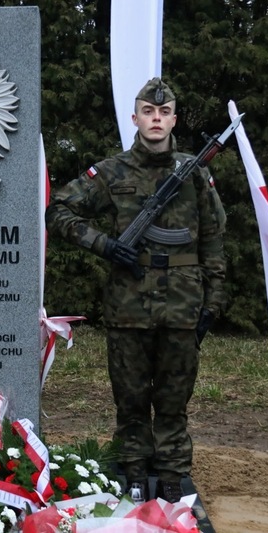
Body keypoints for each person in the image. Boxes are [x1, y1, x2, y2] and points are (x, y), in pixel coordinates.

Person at [45, 77, 226, 503]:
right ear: (135, 119)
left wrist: (214, 300)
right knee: (130, 398)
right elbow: (59, 209)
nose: (156, 119)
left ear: (174, 119)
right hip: (128, 304)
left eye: (164, 112)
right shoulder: (112, 171)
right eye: (148, 112)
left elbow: (213, 239)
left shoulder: (195, 172)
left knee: (174, 399)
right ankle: (133, 471)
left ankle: (173, 475)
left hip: (183, 303)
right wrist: (104, 244)